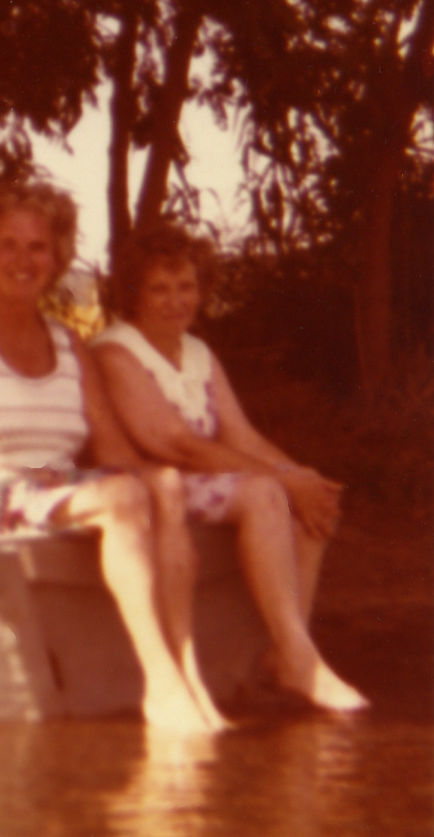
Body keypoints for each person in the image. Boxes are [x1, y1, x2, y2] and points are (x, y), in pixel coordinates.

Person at [0, 181, 225, 733]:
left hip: (52, 485)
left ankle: (188, 669)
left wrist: (167, 481)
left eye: (38, 246)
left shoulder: (68, 342)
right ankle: (161, 683)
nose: (24, 260)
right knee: (122, 495)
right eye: (7, 245)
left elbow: (113, 449)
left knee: (163, 484)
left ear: (56, 257)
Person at [92, 223, 367, 712]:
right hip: (149, 483)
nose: (176, 301)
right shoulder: (116, 351)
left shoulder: (197, 353)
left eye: (186, 287)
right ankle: (299, 660)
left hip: (198, 481)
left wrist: (302, 478)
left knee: (306, 496)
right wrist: (282, 481)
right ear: (133, 292)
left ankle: (289, 652)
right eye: (159, 288)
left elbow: (240, 435)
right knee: (266, 492)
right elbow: (175, 445)